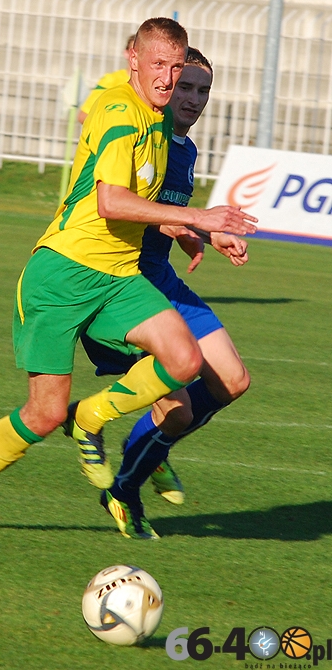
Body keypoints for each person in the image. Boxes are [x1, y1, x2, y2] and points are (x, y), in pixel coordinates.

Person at [0, 19, 256, 533]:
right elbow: (110, 201)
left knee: (186, 360)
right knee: (44, 414)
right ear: (132, 59)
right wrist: (199, 219)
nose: (172, 82)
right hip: (63, 274)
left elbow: (149, 206)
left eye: (181, 71)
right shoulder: (121, 109)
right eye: (163, 68)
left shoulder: (160, 128)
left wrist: (196, 229)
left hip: (120, 276)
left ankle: (98, 423)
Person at [81, 48, 252, 540]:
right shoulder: (144, 133)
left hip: (163, 279)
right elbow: (120, 203)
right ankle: (126, 489)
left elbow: (160, 206)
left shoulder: (186, 147)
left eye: (203, 91)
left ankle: (150, 451)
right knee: (177, 409)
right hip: (125, 284)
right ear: (164, 84)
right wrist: (194, 221)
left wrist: (196, 231)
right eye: (186, 87)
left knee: (233, 381)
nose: (194, 99)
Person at [77, 34, 135, 124]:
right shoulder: (111, 80)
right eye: (133, 52)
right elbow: (84, 116)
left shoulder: (154, 84)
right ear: (126, 54)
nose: (137, 55)